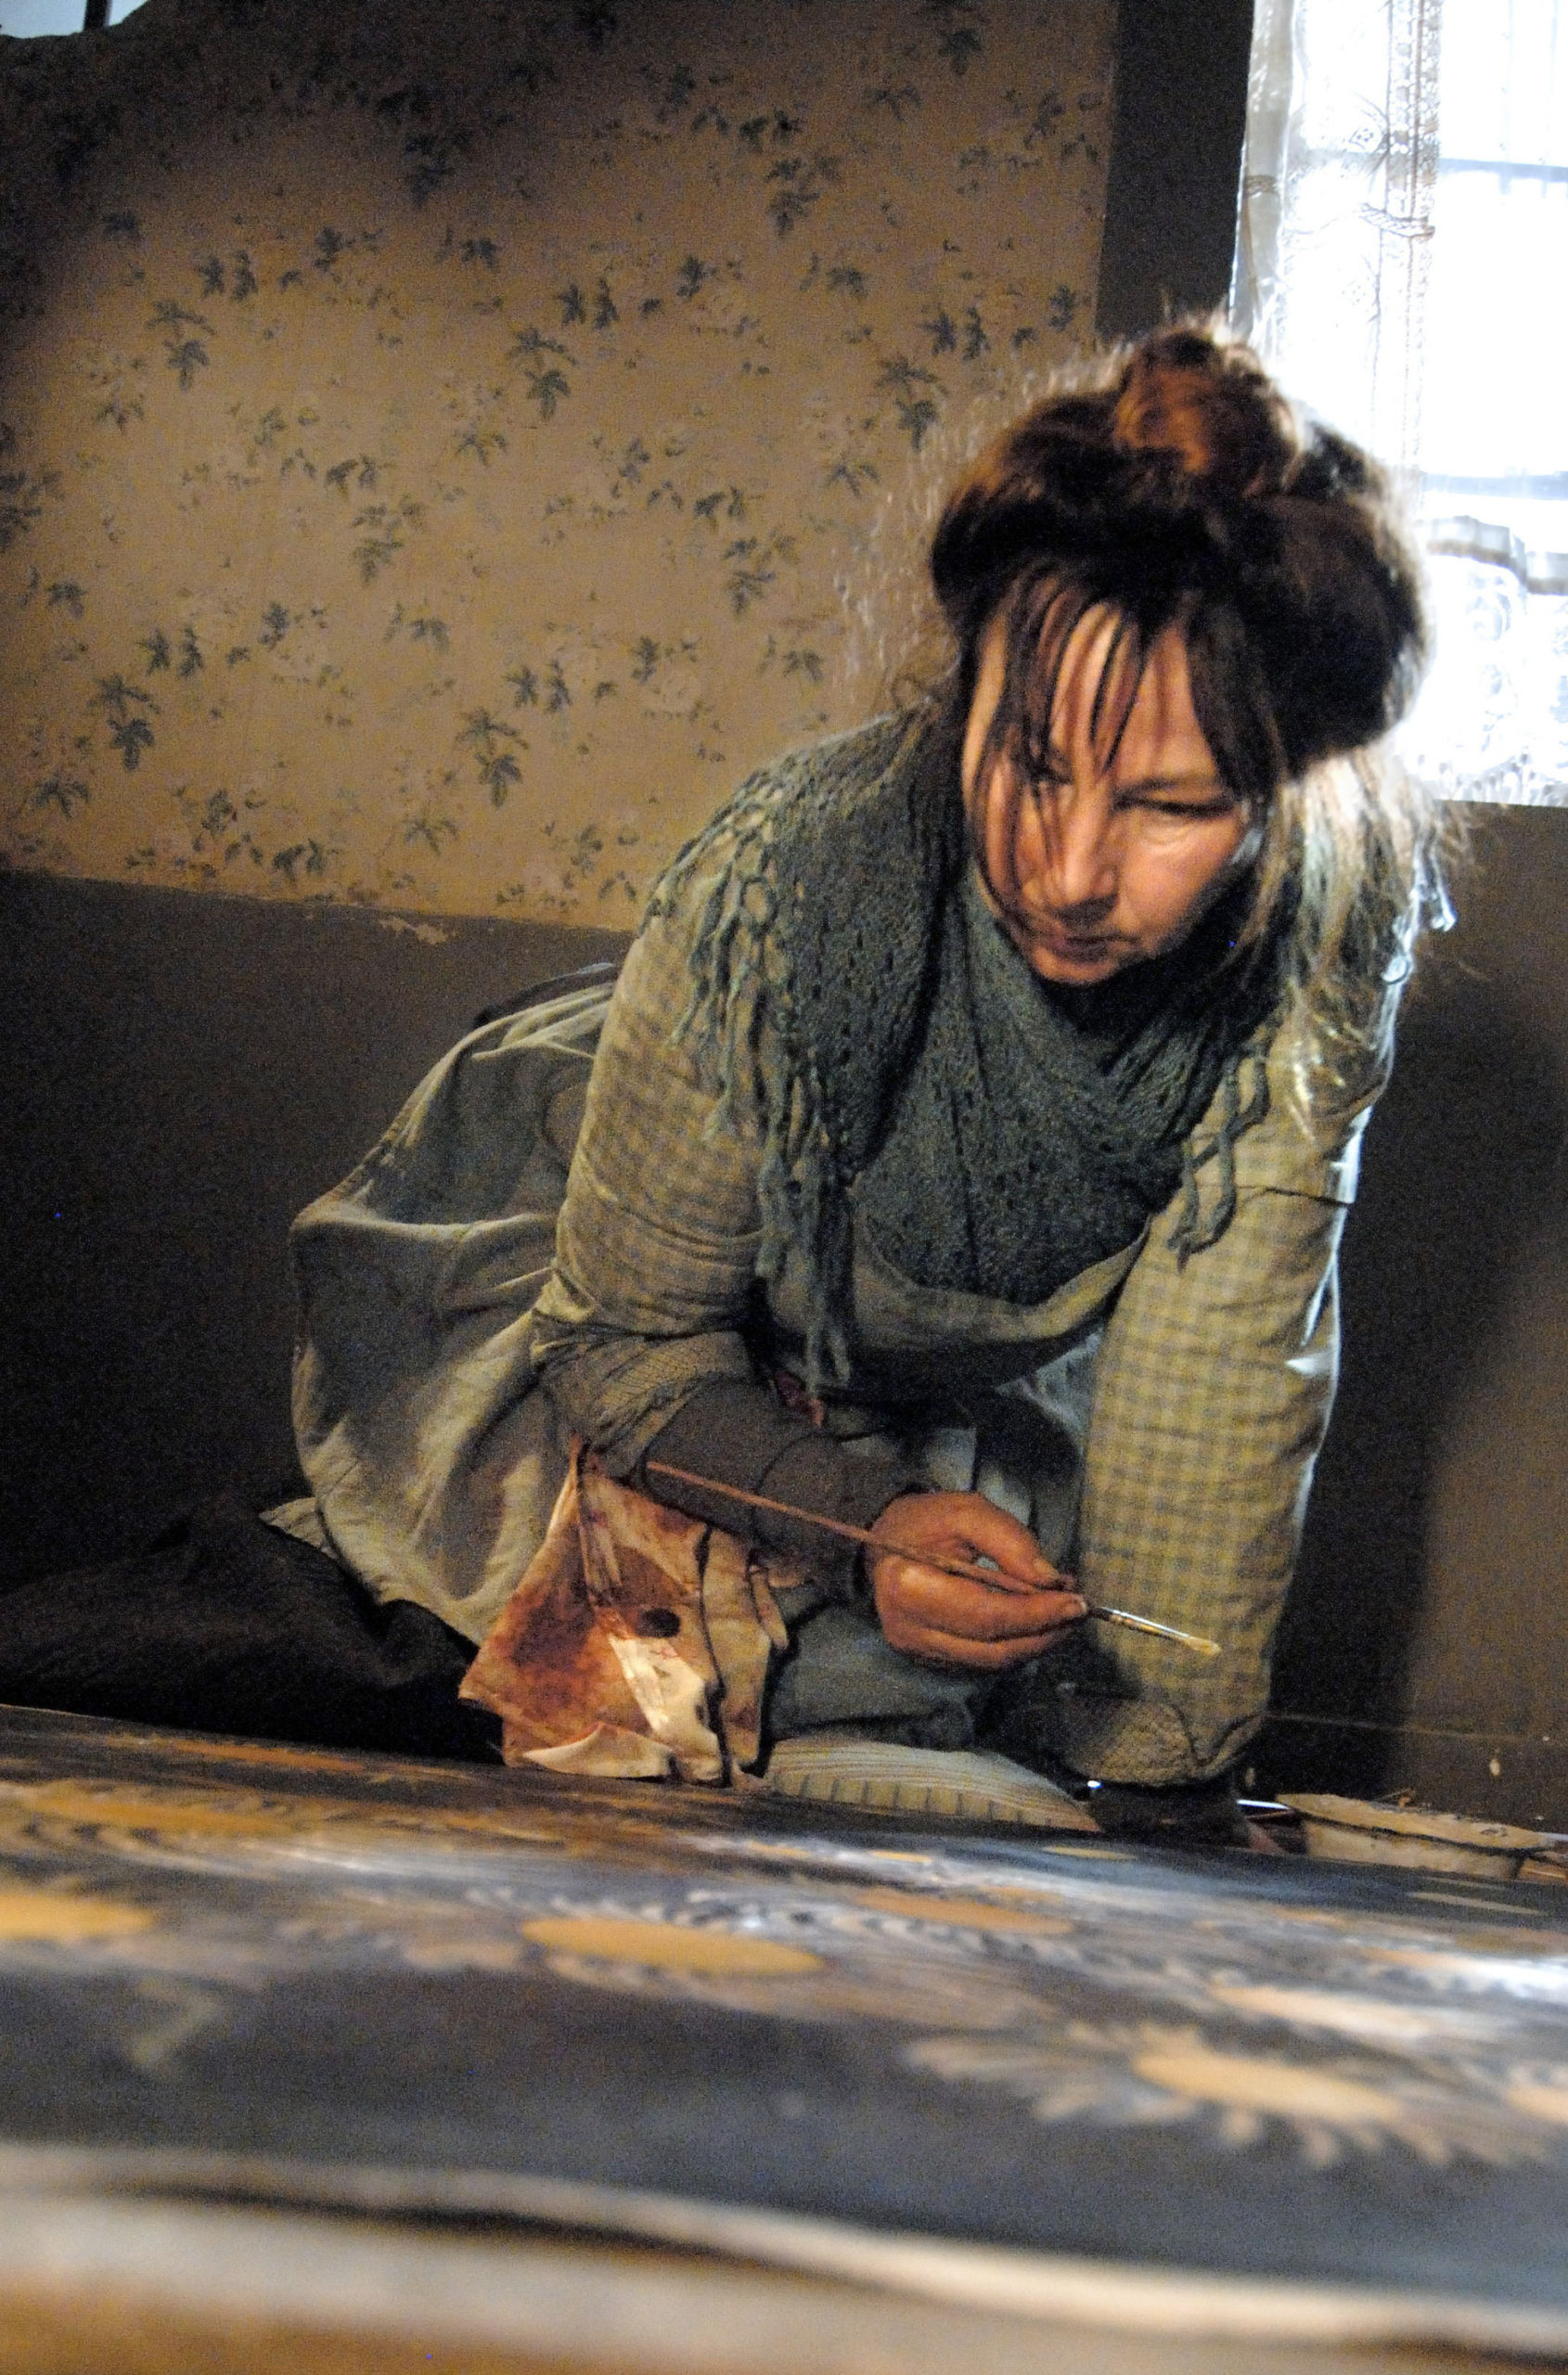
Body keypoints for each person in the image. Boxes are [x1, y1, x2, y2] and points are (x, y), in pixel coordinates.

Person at [496, 320, 1441, 1835]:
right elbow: (620, 1338)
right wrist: (857, 1519)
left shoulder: (1320, 928)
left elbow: (1214, 1402)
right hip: (657, 1380)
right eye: (1032, 763)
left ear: (1285, 797)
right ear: (965, 684)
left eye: (1173, 807)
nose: (1067, 874)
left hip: (974, 1413)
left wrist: (1158, 1779)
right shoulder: (777, 884)